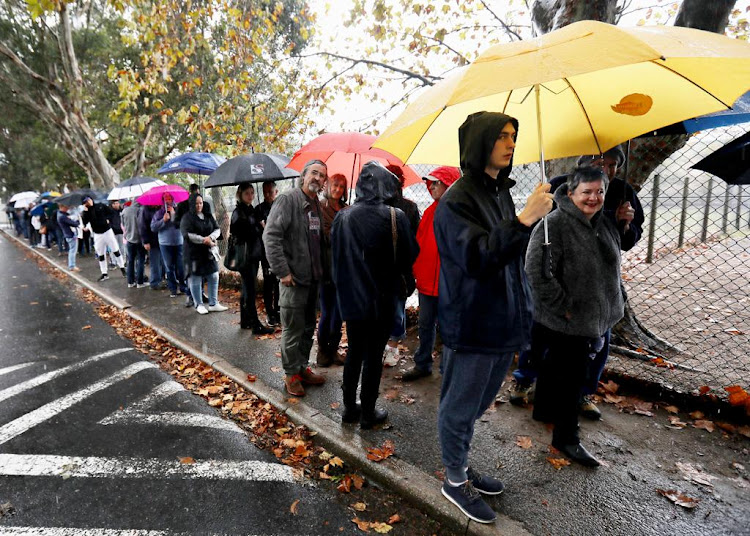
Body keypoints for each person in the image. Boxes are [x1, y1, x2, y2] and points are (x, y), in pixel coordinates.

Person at [433, 111, 552, 524]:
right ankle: (453, 479)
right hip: (473, 324)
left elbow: (506, 255)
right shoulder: (456, 200)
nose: (510, 143)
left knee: (479, 402)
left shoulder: (498, 191)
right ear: (481, 141)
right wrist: (524, 220)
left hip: (503, 320)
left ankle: (461, 465)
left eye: (513, 136)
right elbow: (478, 258)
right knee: (460, 406)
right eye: (502, 136)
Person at [510, 144, 642, 419]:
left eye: (610, 165)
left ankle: (582, 393)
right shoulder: (558, 188)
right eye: (597, 162)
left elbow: (627, 241)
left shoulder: (622, 194)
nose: (604, 169)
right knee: (540, 339)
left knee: (596, 347)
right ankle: (524, 380)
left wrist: (624, 224)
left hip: (596, 294)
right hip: (559, 284)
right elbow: (537, 249)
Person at [525, 166, 625, 467]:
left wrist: (624, 225)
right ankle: (567, 438)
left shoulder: (603, 222)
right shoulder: (553, 224)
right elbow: (536, 271)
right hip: (567, 318)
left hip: (595, 314)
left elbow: (613, 259)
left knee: (555, 369)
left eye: (599, 192)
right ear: (570, 194)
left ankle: (542, 411)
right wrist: (563, 306)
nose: (594, 198)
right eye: (586, 192)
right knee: (571, 380)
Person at [332, 162, 418, 428]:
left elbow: (335, 258)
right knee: (373, 355)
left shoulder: (342, 216)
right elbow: (409, 256)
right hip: (382, 298)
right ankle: (368, 411)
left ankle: (349, 408)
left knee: (354, 352)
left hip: (351, 300)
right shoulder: (396, 216)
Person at [263, 160, 327, 397]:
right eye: (314, 173)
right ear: (303, 175)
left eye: (322, 176)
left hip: (312, 281)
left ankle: (301, 368)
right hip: (293, 280)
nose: (317, 178)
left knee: (308, 327)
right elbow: (271, 237)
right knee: (292, 329)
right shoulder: (287, 200)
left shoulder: (316, 205)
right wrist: (282, 272)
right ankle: (291, 375)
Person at [402, 166, 461, 382]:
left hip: (449, 284)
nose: (432, 186)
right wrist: (417, 271)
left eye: (437, 182)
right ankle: (423, 363)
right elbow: (419, 244)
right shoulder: (429, 212)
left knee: (449, 329)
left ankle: (449, 370)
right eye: (431, 183)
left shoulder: (459, 213)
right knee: (426, 324)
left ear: (449, 184)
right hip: (428, 282)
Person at [229, 183, 273, 334]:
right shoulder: (238, 212)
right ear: (240, 194)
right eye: (247, 193)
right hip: (246, 257)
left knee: (248, 289)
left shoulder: (250, 210)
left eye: (252, 193)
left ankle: (246, 320)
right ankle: (255, 325)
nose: (250, 196)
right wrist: (257, 226)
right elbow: (238, 232)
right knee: (250, 290)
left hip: (253, 255)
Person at [384, 164, 420, 344]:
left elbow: (415, 239)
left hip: (400, 269)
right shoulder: (376, 206)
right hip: (383, 268)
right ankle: (387, 345)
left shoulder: (410, 208)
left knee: (397, 308)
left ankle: (393, 345)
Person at [316, 173, 348, 367]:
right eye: (335, 186)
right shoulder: (320, 208)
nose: (338, 190)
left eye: (342, 187)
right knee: (327, 311)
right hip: (326, 268)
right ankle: (322, 352)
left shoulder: (345, 209)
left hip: (343, 269)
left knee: (339, 313)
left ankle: (333, 349)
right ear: (328, 186)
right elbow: (323, 236)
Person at [180, 193, 227, 315]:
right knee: (196, 278)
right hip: (193, 253)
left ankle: (213, 303)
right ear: (191, 204)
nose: (199, 205)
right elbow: (187, 234)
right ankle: (199, 304)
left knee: (214, 275)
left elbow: (217, 229)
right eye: (196, 203)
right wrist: (202, 240)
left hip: (208, 252)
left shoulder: (208, 215)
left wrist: (210, 237)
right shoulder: (186, 218)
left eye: (200, 203)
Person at [151, 193, 188, 298]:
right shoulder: (159, 213)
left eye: (169, 198)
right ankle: (173, 289)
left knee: (181, 266)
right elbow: (153, 227)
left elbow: (183, 224)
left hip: (179, 242)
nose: (168, 201)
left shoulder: (178, 211)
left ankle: (183, 287)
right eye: (165, 198)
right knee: (169, 267)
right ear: (163, 200)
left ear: (173, 199)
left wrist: (173, 215)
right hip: (165, 244)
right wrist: (163, 220)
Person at [81, 196, 126, 282]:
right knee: (101, 254)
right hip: (97, 234)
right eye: (86, 202)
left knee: (116, 250)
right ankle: (104, 273)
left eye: (89, 200)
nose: (88, 202)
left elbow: (111, 213)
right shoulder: (87, 212)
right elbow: (84, 222)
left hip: (107, 231)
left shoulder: (100, 205)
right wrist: (85, 212)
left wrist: (108, 219)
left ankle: (122, 268)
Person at [257, 180, 280, 326]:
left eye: (270, 192)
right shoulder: (259, 209)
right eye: (264, 192)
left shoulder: (280, 206)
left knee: (279, 282)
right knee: (268, 282)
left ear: (276, 192)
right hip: (265, 251)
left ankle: (278, 309)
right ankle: (269, 312)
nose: (267, 195)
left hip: (279, 250)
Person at [122, 200, 147, 288]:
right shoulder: (141, 210)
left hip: (129, 239)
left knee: (130, 261)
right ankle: (140, 282)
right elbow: (144, 225)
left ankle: (130, 282)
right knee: (140, 260)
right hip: (140, 239)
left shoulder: (125, 210)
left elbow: (123, 224)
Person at [138, 203, 164, 290]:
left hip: (161, 239)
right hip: (152, 240)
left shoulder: (161, 208)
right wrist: (145, 241)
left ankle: (160, 279)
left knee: (161, 262)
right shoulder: (145, 210)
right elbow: (143, 227)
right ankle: (155, 282)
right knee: (155, 262)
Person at [57, 203, 80, 272]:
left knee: (72, 250)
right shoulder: (62, 216)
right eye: (66, 207)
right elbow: (73, 223)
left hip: (68, 234)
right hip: (70, 234)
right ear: (62, 207)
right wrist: (77, 221)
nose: (67, 208)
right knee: (73, 250)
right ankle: (72, 266)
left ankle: (72, 265)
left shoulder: (60, 214)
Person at [108, 200, 124, 267]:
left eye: (117, 203)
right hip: (113, 232)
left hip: (121, 231)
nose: (116, 205)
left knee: (122, 247)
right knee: (113, 247)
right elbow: (108, 222)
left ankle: (122, 261)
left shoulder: (122, 211)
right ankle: (113, 261)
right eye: (114, 203)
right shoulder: (110, 212)